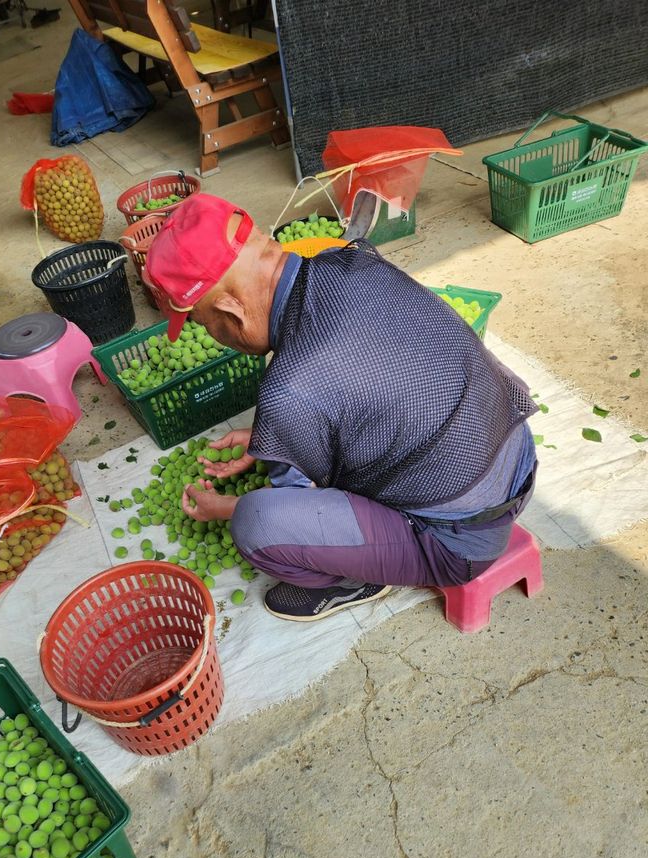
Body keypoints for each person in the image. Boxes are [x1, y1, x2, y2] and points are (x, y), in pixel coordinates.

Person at [143, 193, 537, 623]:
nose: (216, 336)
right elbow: (375, 377)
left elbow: (301, 500)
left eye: (203, 324)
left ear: (230, 308)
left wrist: (225, 508)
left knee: (256, 524)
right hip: (518, 460)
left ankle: (354, 580)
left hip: (460, 545)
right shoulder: (352, 260)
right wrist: (271, 439)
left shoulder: (290, 391)